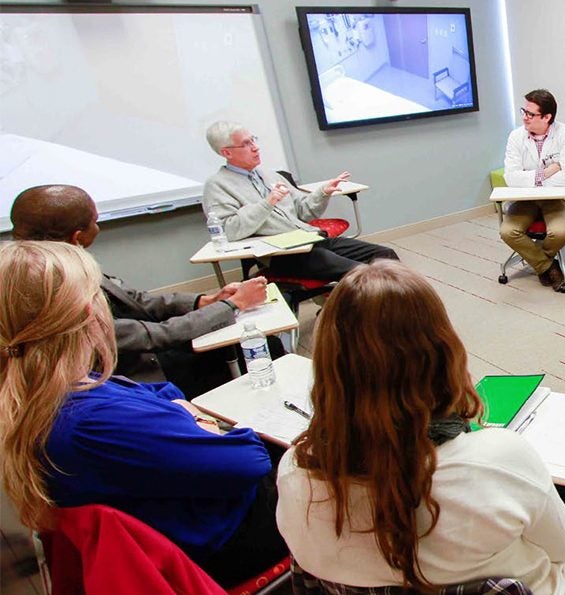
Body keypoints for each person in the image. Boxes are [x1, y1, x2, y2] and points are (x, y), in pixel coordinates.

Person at [276, 260, 565, 594]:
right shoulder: (501, 460)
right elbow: (562, 549)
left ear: (328, 364)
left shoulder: (294, 471)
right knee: (560, 490)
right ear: (443, 351)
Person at [0, 241, 288, 588]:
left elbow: (162, 392)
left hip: (178, 510)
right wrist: (200, 420)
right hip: (225, 539)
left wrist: (188, 415)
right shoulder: (90, 421)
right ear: (88, 313)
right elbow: (249, 460)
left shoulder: (49, 390)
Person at [9, 184, 272, 399]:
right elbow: (154, 336)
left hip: (128, 351)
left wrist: (204, 300)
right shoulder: (49, 290)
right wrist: (232, 305)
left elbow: (134, 299)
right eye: (95, 221)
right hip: (121, 377)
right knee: (243, 347)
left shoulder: (43, 263)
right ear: (77, 238)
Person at [203, 121, 398, 281]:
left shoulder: (270, 175)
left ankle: (405, 311)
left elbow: (303, 211)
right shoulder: (218, 185)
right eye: (245, 144)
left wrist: (323, 193)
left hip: (312, 239)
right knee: (366, 274)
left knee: (385, 256)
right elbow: (228, 230)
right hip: (283, 255)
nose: (255, 147)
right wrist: (267, 204)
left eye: (253, 140)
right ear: (226, 152)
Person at [501, 89, 565, 290]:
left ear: (547, 117)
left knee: (559, 233)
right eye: (524, 111)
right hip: (525, 200)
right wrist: (547, 172)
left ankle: (538, 260)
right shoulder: (516, 137)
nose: (525, 117)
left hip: (558, 199)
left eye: (531, 114)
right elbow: (511, 177)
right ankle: (547, 266)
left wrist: (531, 178)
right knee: (508, 231)